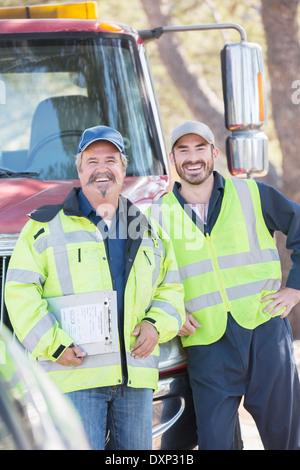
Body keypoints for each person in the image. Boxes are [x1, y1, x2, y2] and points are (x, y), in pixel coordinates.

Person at [5, 125, 185, 450]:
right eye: (92, 161)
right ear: (79, 169)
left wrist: (156, 325)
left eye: (111, 160)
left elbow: (171, 288)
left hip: (135, 379)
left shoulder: (149, 229)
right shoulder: (44, 227)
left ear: (123, 168)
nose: (102, 168)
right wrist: (53, 345)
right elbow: (19, 291)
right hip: (76, 376)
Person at [148, 120, 300, 450]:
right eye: (183, 150)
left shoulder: (252, 193)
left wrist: (295, 288)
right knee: (216, 442)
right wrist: (171, 312)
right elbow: (145, 278)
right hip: (206, 344)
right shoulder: (157, 215)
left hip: (264, 331)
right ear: (172, 159)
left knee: (286, 437)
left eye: (200, 148)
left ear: (214, 153)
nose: (192, 157)